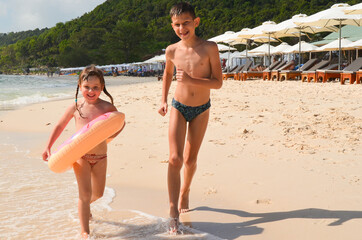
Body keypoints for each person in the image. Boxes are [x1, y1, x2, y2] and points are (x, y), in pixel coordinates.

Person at [158, 2, 222, 233]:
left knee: (189, 160)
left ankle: (185, 191)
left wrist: (192, 80)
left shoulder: (210, 48)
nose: (181, 28)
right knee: (174, 159)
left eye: (186, 23)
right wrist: (164, 100)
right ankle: (173, 209)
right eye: (177, 24)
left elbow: (218, 83)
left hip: (201, 109)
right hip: (178, 106)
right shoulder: (171, 50)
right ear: (172, 26)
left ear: (195, 22)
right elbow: (167, 74)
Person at [42, 65, 122, 239]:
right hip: (81, 156)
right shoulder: (76, 107)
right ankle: (85, 230)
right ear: (79, 85)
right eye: (87, 87)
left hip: (101, 156)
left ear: (102, 88)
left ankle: (83, 207)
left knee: (98, 194)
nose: (91, 91)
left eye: (95, 88)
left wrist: (112, 135)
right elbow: (59, 125)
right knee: (84, 194)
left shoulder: (108, 108)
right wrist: (48, 146)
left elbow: (116, 125)